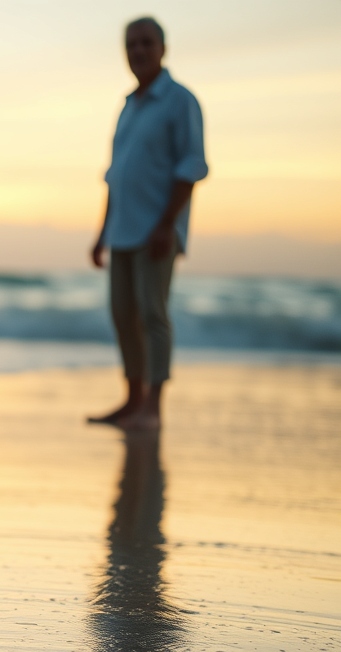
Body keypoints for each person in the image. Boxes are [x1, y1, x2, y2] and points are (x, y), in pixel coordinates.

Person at [88, 17, 208, 431]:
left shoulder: (180, 101)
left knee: (152, 314)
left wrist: (166, 226)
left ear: (163, 48)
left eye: (145, 43)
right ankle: (132, 399)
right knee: (123, 315)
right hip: (121, 230)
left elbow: (191, 167)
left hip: (156, 231)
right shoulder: (127, 106)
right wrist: (102, 232)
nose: (137, 51)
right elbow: (115, 175)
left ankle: (153, 408)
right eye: (131, 44)